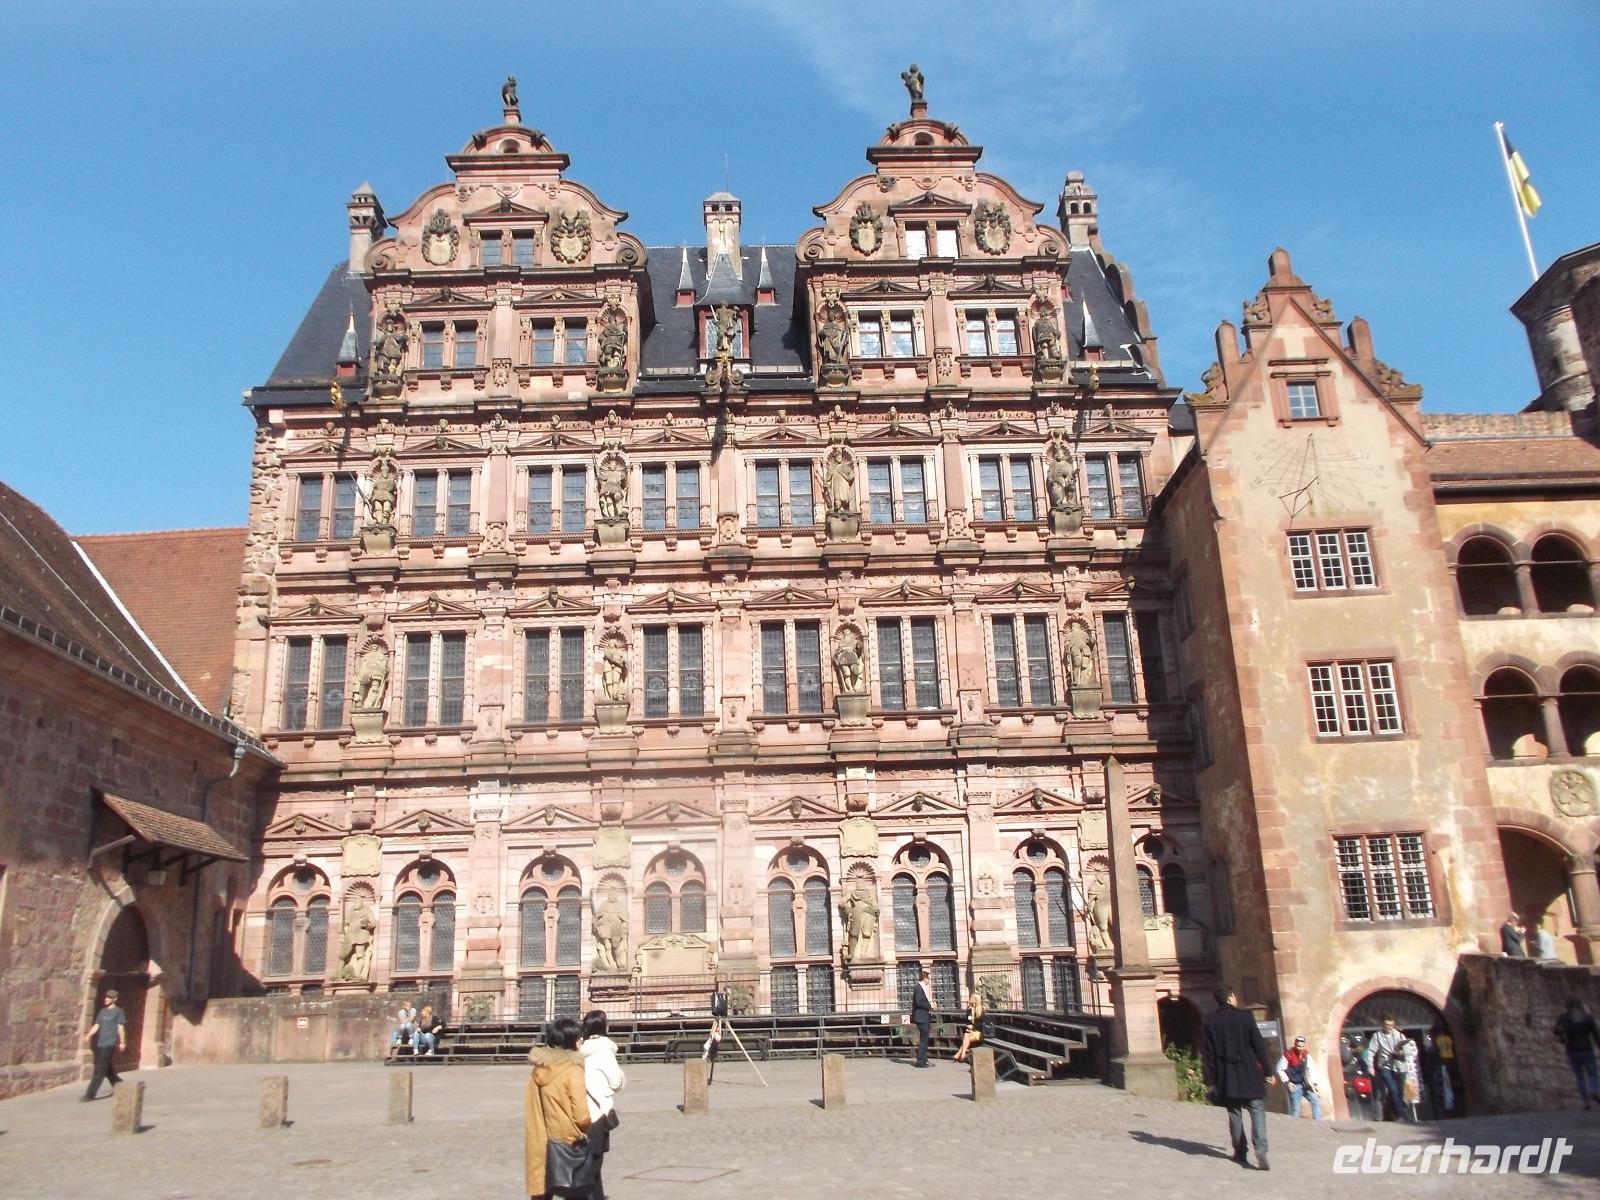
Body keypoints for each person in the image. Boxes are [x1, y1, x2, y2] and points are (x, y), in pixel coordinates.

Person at [1201, 986, 1271, 1170]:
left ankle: (1240, 1151)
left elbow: (1208, 1054)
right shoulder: (1245, 1017)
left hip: (1227, 1077)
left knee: (1234, 1113)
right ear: (1231, 998)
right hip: (1249, 1074)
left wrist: (1211, 1081)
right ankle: (1261, 1148)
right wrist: (1268, 1072)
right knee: (1257, 1110)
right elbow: (1259, 1047)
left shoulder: (1210, 1021)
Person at [525, 1018, 593, 1200]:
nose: (581, 1042)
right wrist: (585, 1128)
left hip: (540, 1139)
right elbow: (581, 1115)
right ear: (571, 1041)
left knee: (543, 1189)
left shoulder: (538, 1069)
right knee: (575, 1191)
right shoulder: (573, 1070)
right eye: (579, 1038)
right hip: (567, 1140)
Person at [581, 1010, 625, 1200]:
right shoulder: (605, 1052)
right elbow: (616, 1082)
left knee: (589, 1163)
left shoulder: (578, 1050)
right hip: (598, 1114)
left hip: (580, 1113)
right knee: (594, 1166)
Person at [1553, 998, 1600, 1110]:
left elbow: (1556, 1031)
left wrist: (1563, 1033)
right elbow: (1596, 1035)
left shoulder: (1564, 1018)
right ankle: (1594, 1090)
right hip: (1587, 1050)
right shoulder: (1587, 1018)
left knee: (1579, 1077)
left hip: (1573, 1051)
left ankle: (1586, 1102)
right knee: (1592, 1074)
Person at [81, 989, 127, 1101]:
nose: (106, 999)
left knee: (100, 1069)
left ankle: (89, 1094)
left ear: (114, 999)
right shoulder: (102, 1012)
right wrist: (88, 1036)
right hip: (101, 1043)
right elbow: (97, 1026)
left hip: (110, 1043)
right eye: (106, 997)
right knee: (107, 1068)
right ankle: (120, 1085)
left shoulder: (118, 1011)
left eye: (109, 998)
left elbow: (121, 1028)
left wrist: (122, 1042)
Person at [1365, 1015, 1409, 1122]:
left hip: (1399, 1066)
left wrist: (1402, 1052)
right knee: (1393, 1089)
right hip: (1385, 1066)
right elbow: (1371, 1051)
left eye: (1391, 1025)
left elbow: (1408, 1050)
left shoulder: (1399, 1035)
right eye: (1387, 1025)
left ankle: (1393, 1112)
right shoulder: (1377, 1036)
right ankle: (1401, 1115)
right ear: (1383, 1025)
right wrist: (1370, 1066)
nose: (1389, 1027)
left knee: (1400, 1092)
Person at [1275, 1034, 1324, 1120]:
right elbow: (1279, 1068)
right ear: (1295, 1044)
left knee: (1315, 1100)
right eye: (1298, 1046)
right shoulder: (1288, 1055)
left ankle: (1318, 1122)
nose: (1299, 1048)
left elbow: (1311, 1068)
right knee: (1296, 1108)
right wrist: (1287, 1082)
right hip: (1295, 1085)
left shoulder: (1306, 1054)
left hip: (1305, 1083)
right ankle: (1295, 1127)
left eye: (1301, 1046)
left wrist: (1314, 1082)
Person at [908, 968, 934, 1068]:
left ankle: (924, 1059)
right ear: (925, 978)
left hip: (924, 1017)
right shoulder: (919, 987)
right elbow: (919, 1002)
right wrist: (930, 1006)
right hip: (921, 1017)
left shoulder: (922, 988)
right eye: (928, 978)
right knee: (924, 1039)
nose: (929, 981)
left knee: (925, 1039)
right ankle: (920, 1061)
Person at [953, 990, 987, 1063]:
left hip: (979, 1032)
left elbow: (981, 1024)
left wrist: (973, 1026)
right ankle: (962, 1055)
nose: (969, 999)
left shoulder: (981, 1010)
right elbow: (968, 1021)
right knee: (966, 1035)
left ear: (975, 1000)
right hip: (971, 1031)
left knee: (967, 1038)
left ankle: (960, 1054)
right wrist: (970, 1012)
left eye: (971, 998)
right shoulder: (969, 1010)